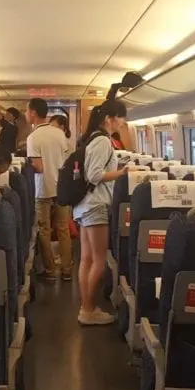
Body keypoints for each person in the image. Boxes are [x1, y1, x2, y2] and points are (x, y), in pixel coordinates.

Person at [74, 99, 128, 326]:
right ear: (110, 118)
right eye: (121, 117)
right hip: (95, 205)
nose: (123, 123)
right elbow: (94, 175)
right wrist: (123, 172)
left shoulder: (93, 138)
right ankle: (88, 310)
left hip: (86, 204)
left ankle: (86, 308)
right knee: (97, 261)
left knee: (87, 259)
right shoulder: (103, 141)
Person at [25, 98, 73, 282]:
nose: (26, 114)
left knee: (44, 229)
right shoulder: (59, 134)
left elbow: (38, 167)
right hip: (61, 187)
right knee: (63, 229)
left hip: (42, 188)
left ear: (34, 113)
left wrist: (28, 164)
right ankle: (67, 269)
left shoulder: (33, 138)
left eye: (27, 111)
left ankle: (51, 270)